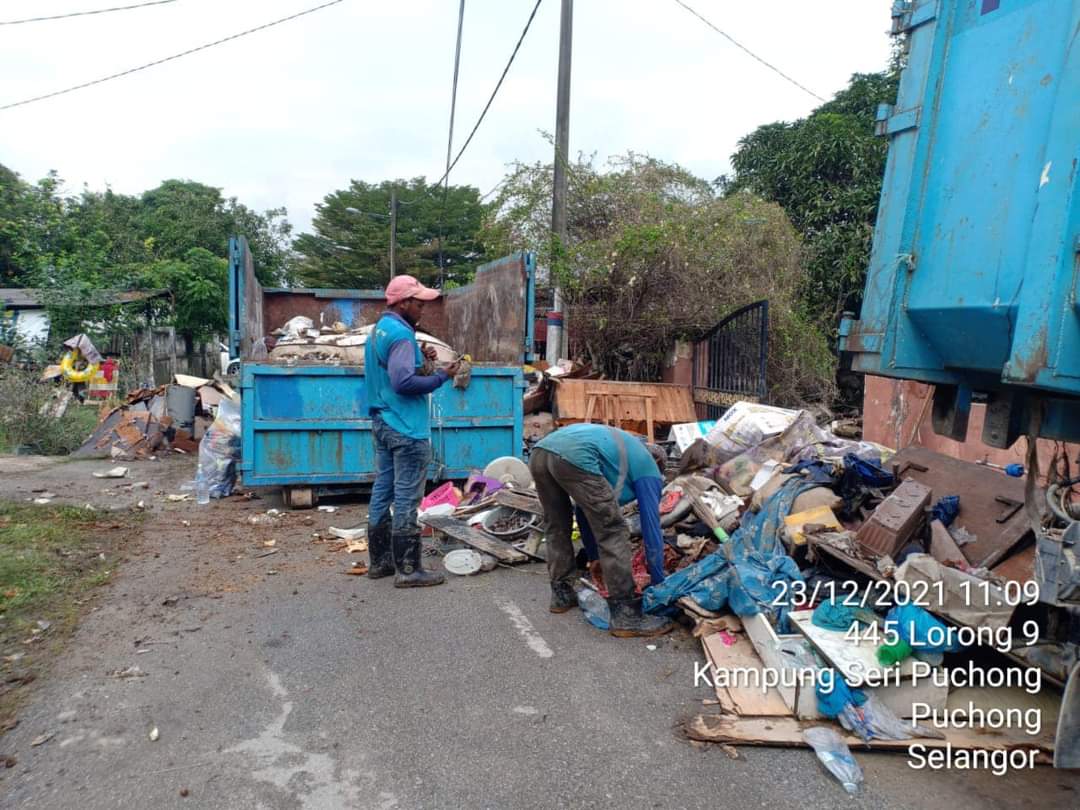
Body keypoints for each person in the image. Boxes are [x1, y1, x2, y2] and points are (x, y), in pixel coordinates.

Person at [530, 423, 673, 637]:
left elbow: (583, 510)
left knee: (557, 525)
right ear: (659, 463)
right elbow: (651, 528)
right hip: (573, 455)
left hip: (540, 453)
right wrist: (658, 580)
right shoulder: (648, 467)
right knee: (614, 530)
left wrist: (594, 557)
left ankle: (561, 594)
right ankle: (626, 615)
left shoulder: (618, 453)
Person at [365, 275, 459, 587]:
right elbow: (403, 383)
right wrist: (442, 376)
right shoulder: (402, 336)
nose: (422, 310)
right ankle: (408, 569)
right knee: (406, 496)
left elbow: (394, 369)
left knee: (383, 490)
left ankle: (380, 562)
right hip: (406, 428)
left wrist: (423, 361)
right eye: (418, 304)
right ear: (403, 303)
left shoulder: (380, 329)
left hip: (383, 422)